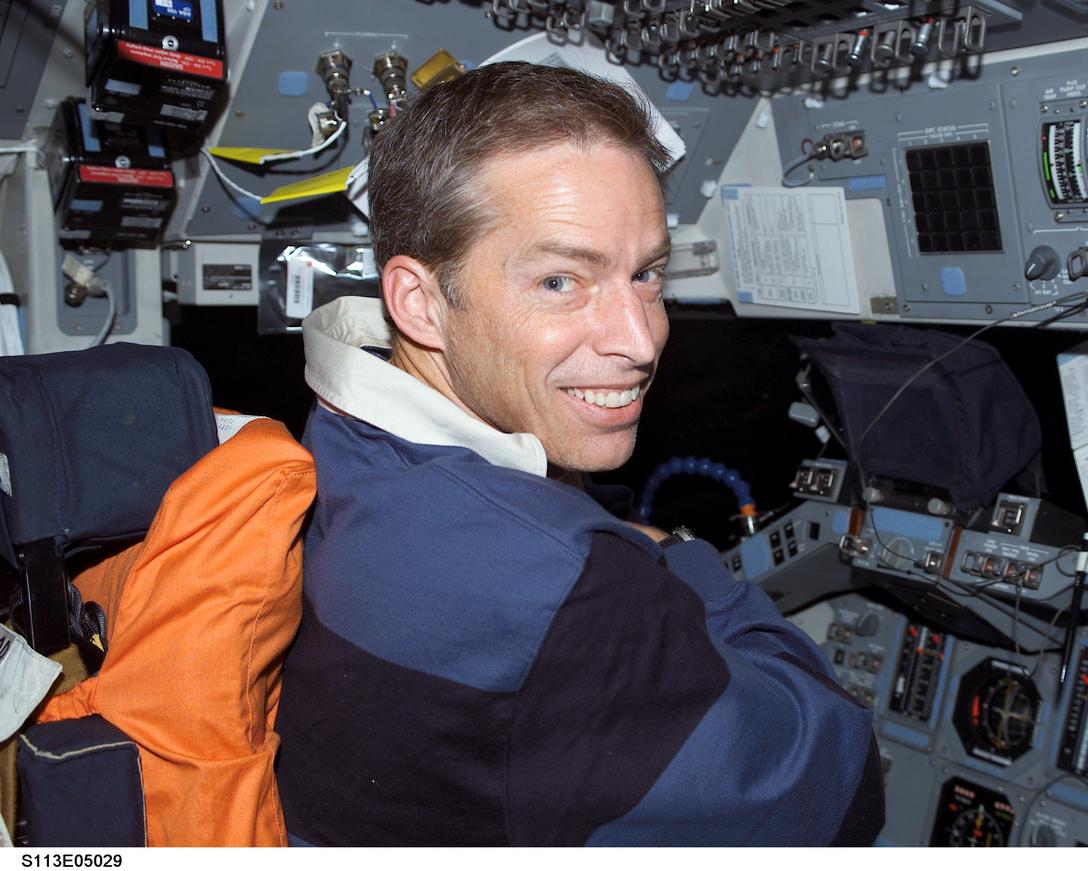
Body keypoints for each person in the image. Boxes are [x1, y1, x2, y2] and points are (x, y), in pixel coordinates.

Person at [274, 61, 884, 847]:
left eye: (646, 274)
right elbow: (837, 789)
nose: (640, 341)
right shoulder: (553, 582)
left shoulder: (340, 441)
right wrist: (678, 561)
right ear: (420, 302)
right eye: (562, 280)